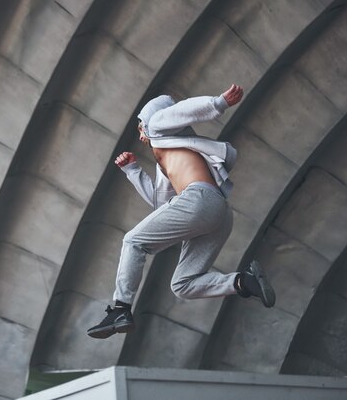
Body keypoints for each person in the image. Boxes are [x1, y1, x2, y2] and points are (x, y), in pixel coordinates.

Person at [87, 85, 275, 339]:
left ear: (147, 120)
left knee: (133, 241)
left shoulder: (157, 124)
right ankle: (243, 282)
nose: (141, 134)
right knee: (183, 285)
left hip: (200, 199)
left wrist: (218, 103)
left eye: (139, 126)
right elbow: (161, 204)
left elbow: (183, 111)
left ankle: (120, 308)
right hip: (217, 213)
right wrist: (132, 171)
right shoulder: (169, 154)